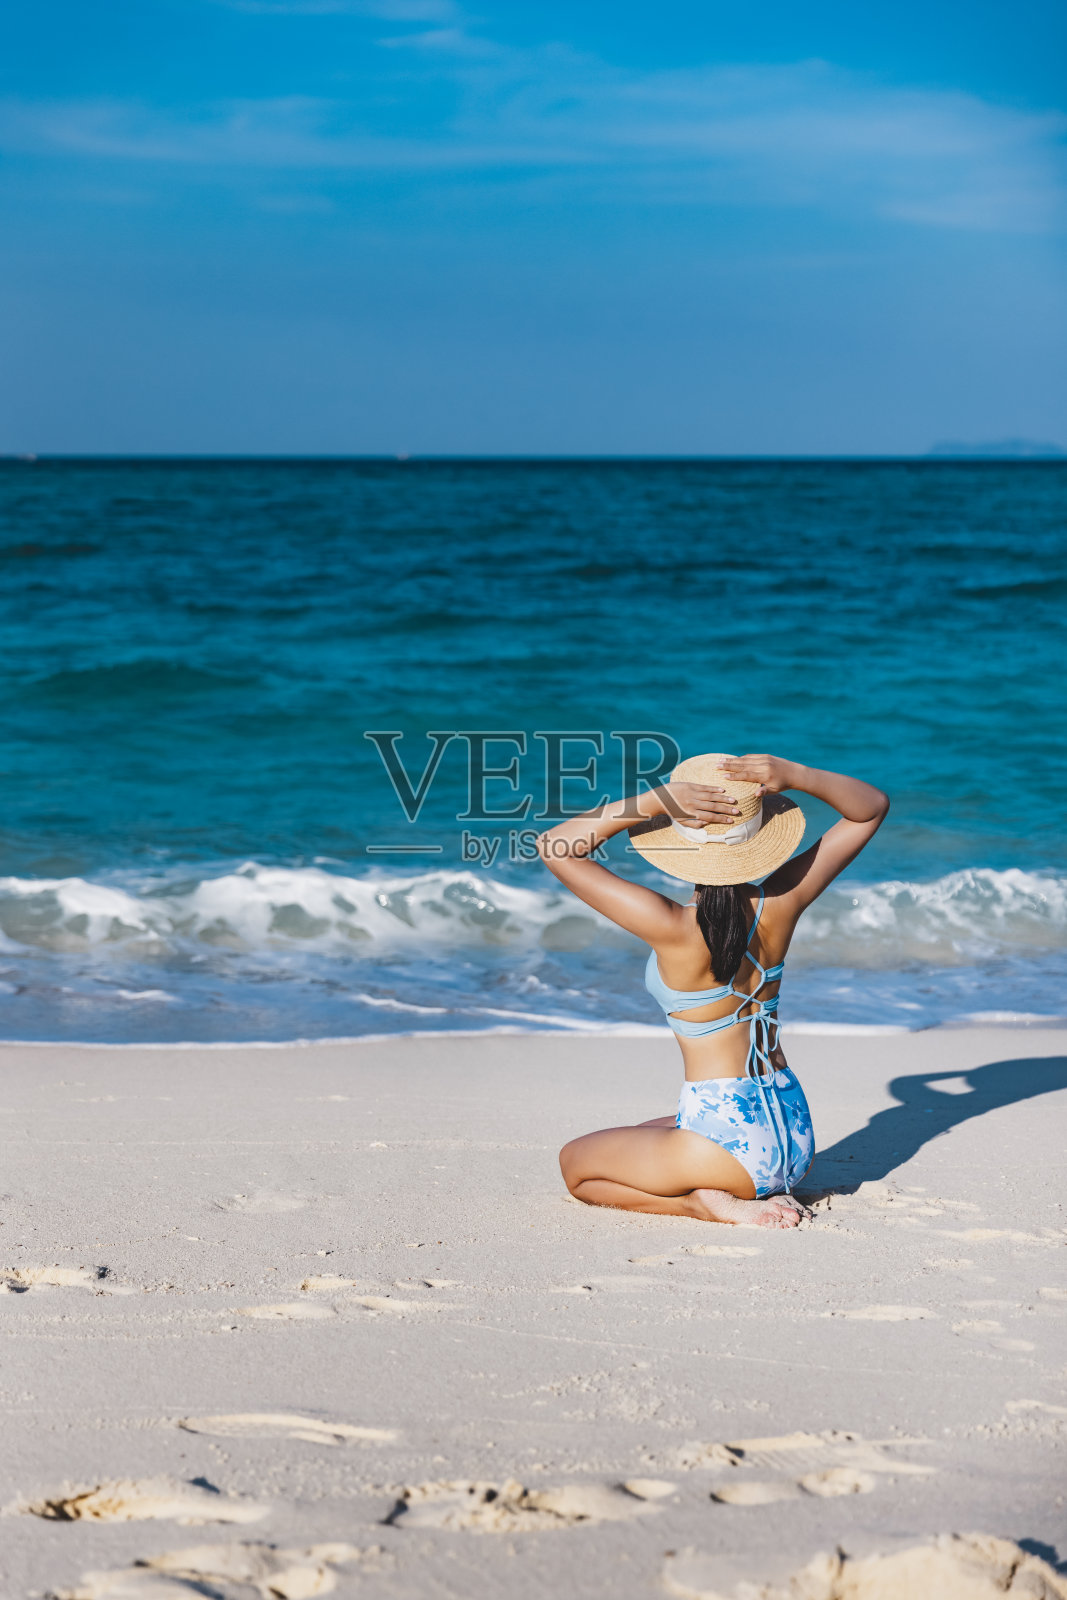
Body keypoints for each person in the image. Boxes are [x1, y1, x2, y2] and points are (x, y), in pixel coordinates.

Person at [536, 753, 889, 1230]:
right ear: (760, 839)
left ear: (678, 844)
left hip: (730, 1152)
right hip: (794, 1137)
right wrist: (798, 776)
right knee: (644, 1132)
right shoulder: (782, 902)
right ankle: (733, 1183)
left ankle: (702, 1204)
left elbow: (556, 847)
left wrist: (654, 801)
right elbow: (869, 807)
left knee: (576, 1165)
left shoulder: (670, 926)